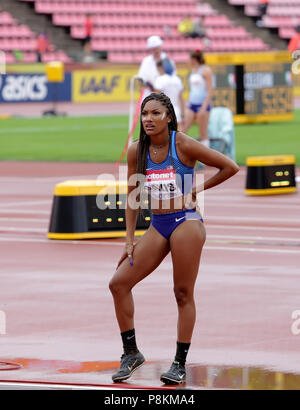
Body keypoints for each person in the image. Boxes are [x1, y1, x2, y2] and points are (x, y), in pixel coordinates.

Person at [109, 92, 239, 385]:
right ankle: (131, 353)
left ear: (168, 116)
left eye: (155, 113)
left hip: (186, 222)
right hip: (158, 224)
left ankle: (179, 362)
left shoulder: (182, 144)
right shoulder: (136, 151)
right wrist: (129, 240)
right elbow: (133, 197)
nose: (148, 119)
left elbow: (230, 167)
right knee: (118, 283)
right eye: (144, 114)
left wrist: (196, 191)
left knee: (182, 292)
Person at [182, 50, 213, 148]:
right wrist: (188, 103)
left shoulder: (206, 70)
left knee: (203, 133)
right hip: (192, 104)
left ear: (194, 59)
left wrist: (204, 107)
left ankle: (205, 160)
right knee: (183, 130)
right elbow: (193, 89)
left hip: (202, 105)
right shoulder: (193, 70)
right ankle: (180, 155)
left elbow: (209, 90)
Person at [154, 58, 185, 129]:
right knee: (176, 137)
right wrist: (183, 114)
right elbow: (181, 99)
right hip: (176, 111)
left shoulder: (160, 79)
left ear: (162, 68)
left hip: (163, 112)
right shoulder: (177, 79)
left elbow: (156, 98)